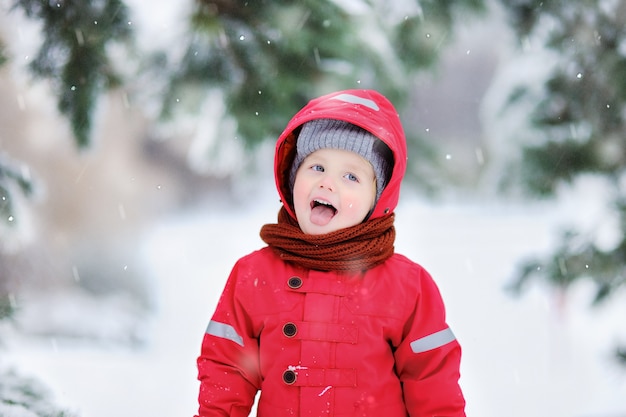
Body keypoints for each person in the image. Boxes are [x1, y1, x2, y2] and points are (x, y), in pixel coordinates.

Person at [195, 89, 466, 417]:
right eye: (317, 167)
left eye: (351, 176)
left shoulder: (407, 286)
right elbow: (228, 367)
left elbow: (432, 381)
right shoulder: (254, 275)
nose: (327, 184)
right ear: (292, 178)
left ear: (376, 200)